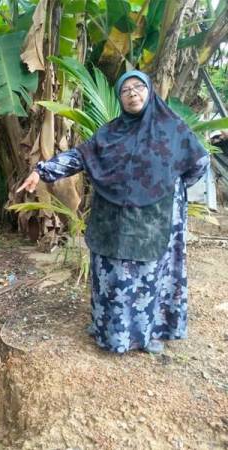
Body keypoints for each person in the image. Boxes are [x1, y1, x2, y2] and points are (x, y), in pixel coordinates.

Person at [17, 70, 210, 354]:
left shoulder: (173, 129)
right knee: (113, 273)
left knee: (149, 275)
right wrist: (42, 171)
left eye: (138, 87)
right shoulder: (110, 132)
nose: (132, 93)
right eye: (125, 90)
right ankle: (108, 331)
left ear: (150, 91)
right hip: (113, 217)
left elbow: (199, 162)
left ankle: (147, 335)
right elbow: (81, 156)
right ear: (120, 97)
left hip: (155, 218)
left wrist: (169, 188)